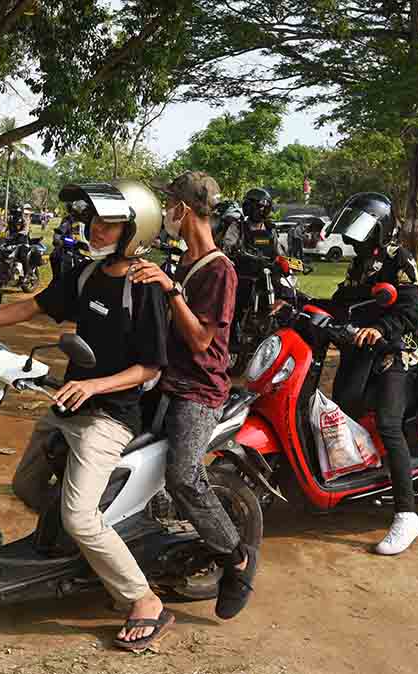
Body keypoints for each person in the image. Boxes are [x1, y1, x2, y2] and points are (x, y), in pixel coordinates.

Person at [0, 180, 172, 651]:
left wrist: (93, 385)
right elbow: (32, 306)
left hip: (110, 416)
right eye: (94, 220)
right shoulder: (86, 275)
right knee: (24, 485)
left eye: (108, 223)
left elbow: (150, 366)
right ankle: (81, 550)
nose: (95, 229)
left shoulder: (144, 289)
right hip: (67, 402)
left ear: (134, 230)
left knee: (80, 517)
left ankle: (144, 600)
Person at [130, 171, 257, 618]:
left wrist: (170, 290)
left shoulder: (220, 270)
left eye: (170, 204)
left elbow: (202, 340)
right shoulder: (183, 263)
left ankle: (237, 558)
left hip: (199, 391)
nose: (166, 212)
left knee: (183, 476)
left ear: (184, 209)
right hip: (164, 381)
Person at [308, 193, 418, 555]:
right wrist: (297, 301)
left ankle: (407, 514)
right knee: (340, 411)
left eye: (363, 228)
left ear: (380, 226)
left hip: (396, 352)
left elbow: (410, 312)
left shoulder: (399, 259)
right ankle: (360, 483)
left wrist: (381, 329)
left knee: (389, 425)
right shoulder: (360, 262)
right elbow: (344, 302)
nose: (354, 236)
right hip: (361, 351)